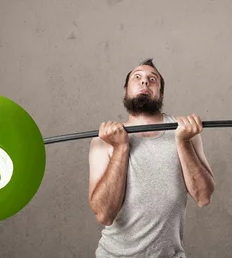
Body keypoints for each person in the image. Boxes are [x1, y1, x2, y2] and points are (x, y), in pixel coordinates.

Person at [88, 59, 216, 258]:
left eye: (152, 79)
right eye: (137, 77)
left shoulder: (185, 131)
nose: (144, 82)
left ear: (161, 93)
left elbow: (203, 196)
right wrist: (121, 147)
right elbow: (104, 214)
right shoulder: (104, 140)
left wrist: (182, 142)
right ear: (125, 91)